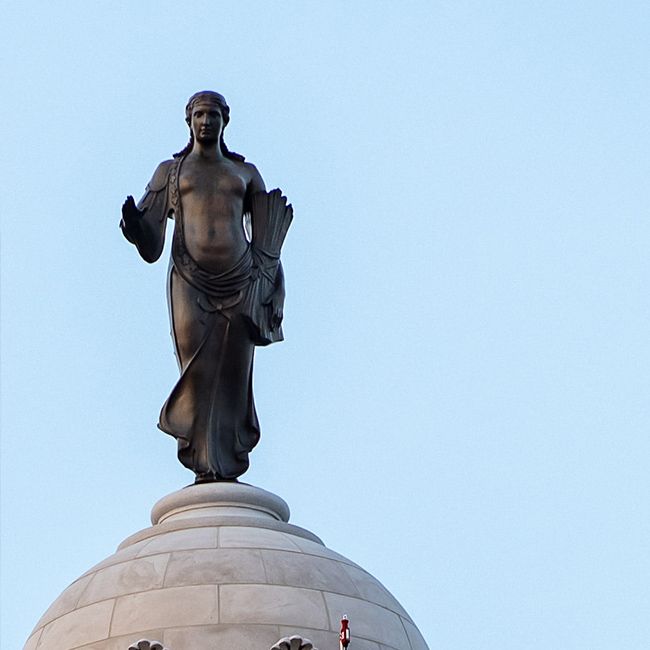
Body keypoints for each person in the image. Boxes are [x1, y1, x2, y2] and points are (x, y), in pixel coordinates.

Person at [121, 91, 292, 482]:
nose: (206, 122)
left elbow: (268, 239)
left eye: (213, 115)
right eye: (199, 115)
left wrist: (275, 288)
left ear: (224, 121)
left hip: (243, 280)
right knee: (196, 372)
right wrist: (136, 228)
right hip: (189, 280)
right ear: (189, 121)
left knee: (234, 373)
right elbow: (152, 244)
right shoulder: (171, 171)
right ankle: (200, 460)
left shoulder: (244, 174)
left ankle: (227, 460)